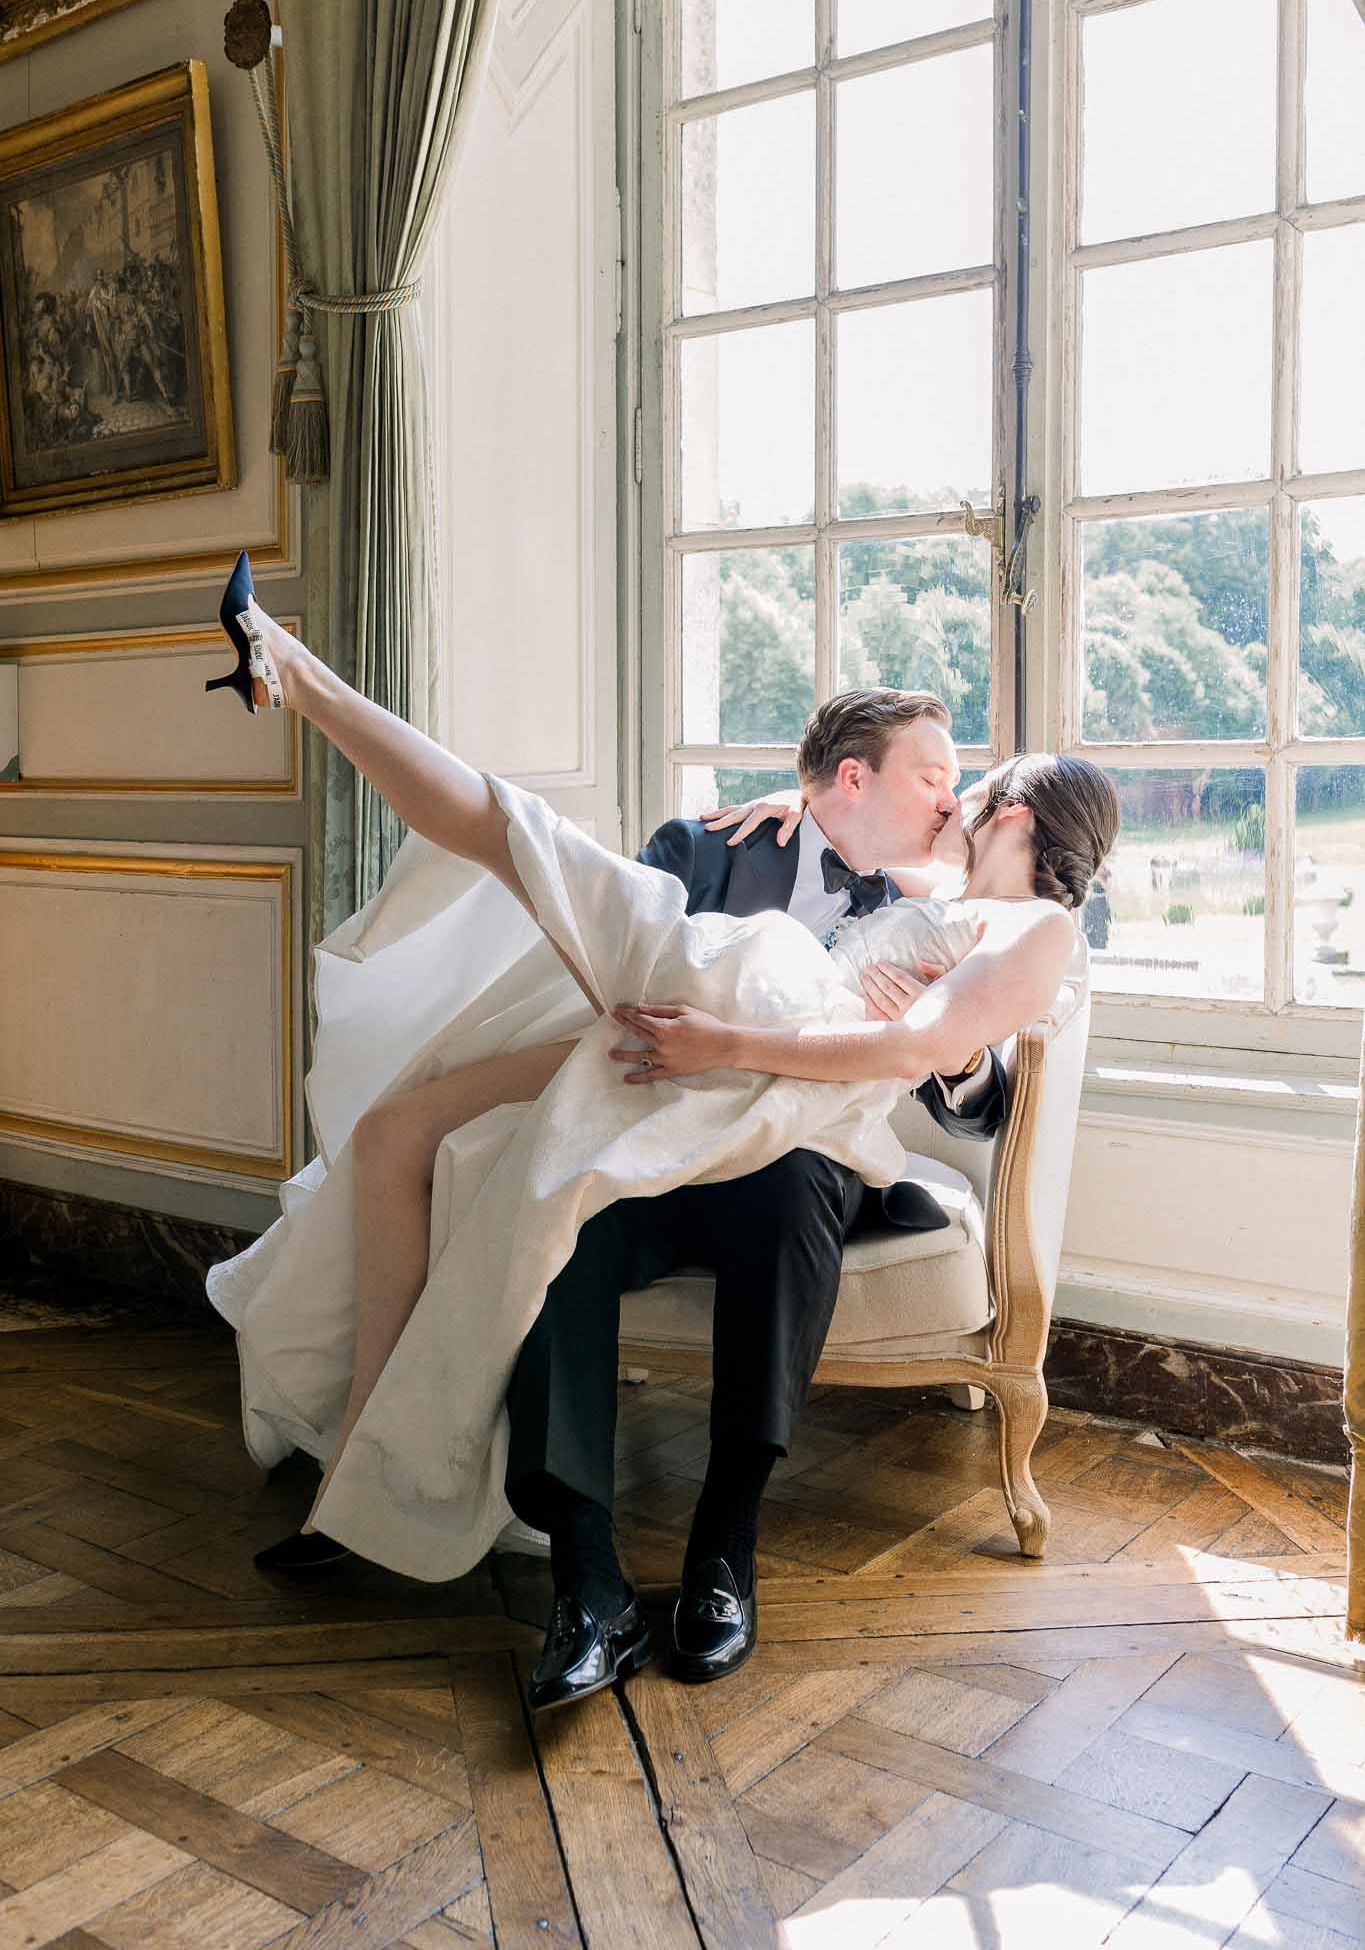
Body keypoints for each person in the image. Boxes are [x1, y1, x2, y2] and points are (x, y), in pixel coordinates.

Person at [203, 557, 1118, 1712]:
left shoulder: (969, 902)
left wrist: (781, 1040)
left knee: (517, 840)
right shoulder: (762, 842)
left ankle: (720, 1556)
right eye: (938, 778)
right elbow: (846, 904)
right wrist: (794, 816)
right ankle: (578, 1580)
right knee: (519, 895)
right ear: (847, 776)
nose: (950, 800)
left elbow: (945, 1052)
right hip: (681, 1040)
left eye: (965, 789)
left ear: (1013, 816)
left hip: (770, 1085)